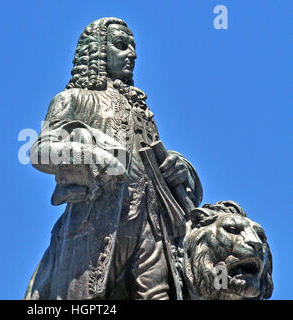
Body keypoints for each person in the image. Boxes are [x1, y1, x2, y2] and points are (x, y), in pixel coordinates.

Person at [25, 17, 202, 300]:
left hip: (150, 224)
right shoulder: (73, 98)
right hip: (95, 219)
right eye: (121, 45)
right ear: (97, 50)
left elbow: (159, 163)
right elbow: (40, 150)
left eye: (133, 48)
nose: (131, 54)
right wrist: (95, 155)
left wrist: (182, 169)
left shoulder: (141, 111)